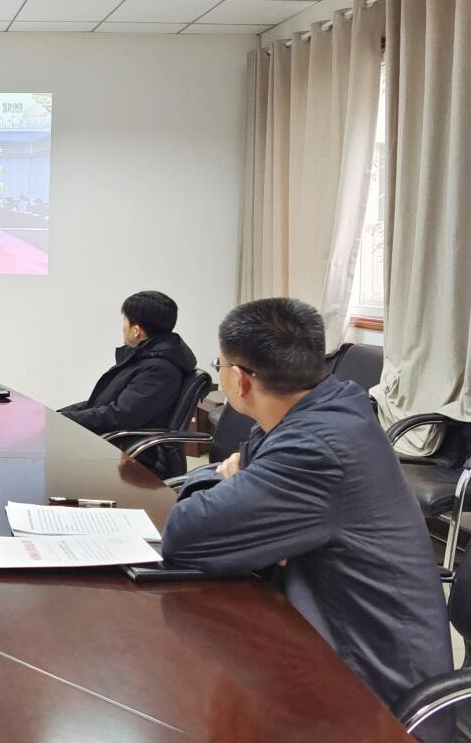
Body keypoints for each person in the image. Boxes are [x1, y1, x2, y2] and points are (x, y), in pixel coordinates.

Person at [162, 298, 452, 711]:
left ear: (239, 380)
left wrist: (232, 486)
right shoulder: (328, 405)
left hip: (373, 694)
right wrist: (237, 489)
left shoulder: (317, 447)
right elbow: (233, 493)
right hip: (325, 635)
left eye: (219, 364)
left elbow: (185, 535)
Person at [59, 290, 196, 478]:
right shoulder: (146, 358)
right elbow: (102, 403)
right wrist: (60, 415)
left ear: (136, 330)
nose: (123, 327)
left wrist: (65, 420)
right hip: (116, 443)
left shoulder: (159, 370)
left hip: (133, 457)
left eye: (125, 321)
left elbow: (120, 415)